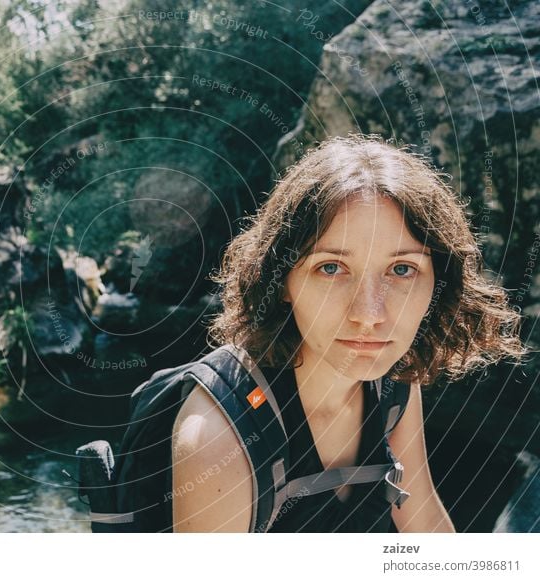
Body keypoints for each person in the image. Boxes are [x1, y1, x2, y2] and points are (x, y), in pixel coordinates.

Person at [171, 133, 529, 533]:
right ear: (281, 281)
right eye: (330, 268)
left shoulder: (391, 382)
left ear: (438, 283)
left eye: (401, 269)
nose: (369, 315)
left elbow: (425, 525)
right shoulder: (218, 437)